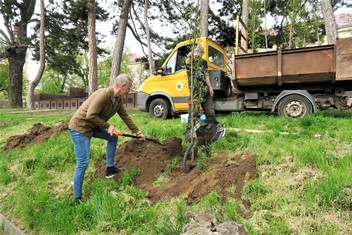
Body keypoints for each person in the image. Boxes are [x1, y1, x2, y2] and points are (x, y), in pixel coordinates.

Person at [68, 74, 145, 201]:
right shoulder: (103, 95)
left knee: (113, 137)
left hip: (93, 127)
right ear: (122, 86)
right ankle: (77, 197)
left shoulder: (118, 98)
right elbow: (90, 115)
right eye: (129, 88)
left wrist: (137, 132)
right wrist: (108, 126)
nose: (129, 91)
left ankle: (110, 169)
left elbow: (125, 116)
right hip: (80, 128)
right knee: (83, 162)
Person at [186, 44, 217, 130]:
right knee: (194, 111)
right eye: (196, 55)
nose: (198, 57)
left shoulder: (204, 62)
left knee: (209, 110)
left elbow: (206, 75)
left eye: (200, 55)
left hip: (205, 89)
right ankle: (190, 131)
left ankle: (211, 128)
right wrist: (189, 57)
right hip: (195, 91)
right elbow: (187, 65)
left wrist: (210, 87)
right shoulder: (190, 61)